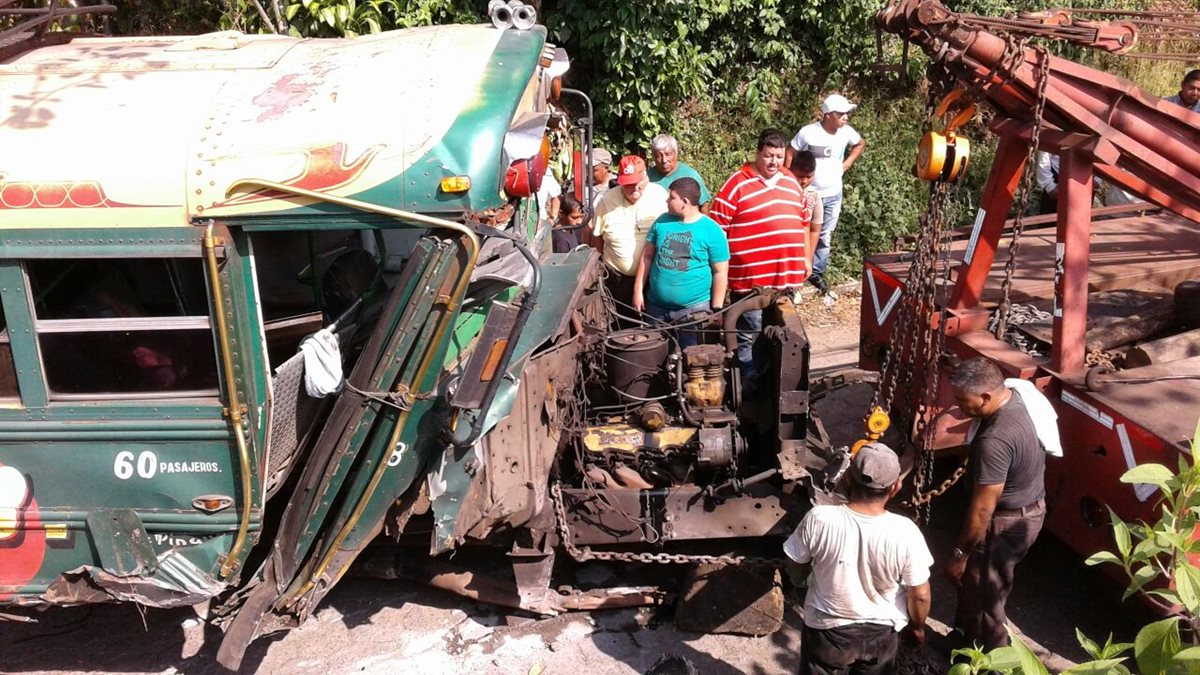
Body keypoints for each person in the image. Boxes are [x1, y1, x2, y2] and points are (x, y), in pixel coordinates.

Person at [784, 442, 933, 674]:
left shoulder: (819, 519)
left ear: (847, 479)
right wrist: (918, 628)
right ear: (896, 487)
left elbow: (794, 564)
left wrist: (805, 581)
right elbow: (920, 594)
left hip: (827, 634)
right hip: (881, 637)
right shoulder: (906, 531)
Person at [946, 357, 1047, 651]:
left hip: (1006, 524)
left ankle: (991, 660)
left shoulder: (995, 440)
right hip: (1030, 509)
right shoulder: (1019, 395)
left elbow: (982, 511)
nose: (960, 408)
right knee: (979, 588)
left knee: (986, 596)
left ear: (987, 396)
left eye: (964, 402)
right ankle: (964, 640)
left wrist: (959, 554)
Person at [710, 128, 820, 386]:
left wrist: (806, 257)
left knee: (783, 335)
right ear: (758, 153)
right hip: (750, 283)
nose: (774, 162)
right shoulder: (736, 183)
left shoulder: (791, 180)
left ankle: (777, 386)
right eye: (769, 156)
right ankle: (748, 391)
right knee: (750, 336)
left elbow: (804, 221)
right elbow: (716, 231)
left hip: (785, 281)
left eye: (779, 157)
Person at [631, 177, 729, 348]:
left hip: (693, 311)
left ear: (684, 202)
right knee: (654, 355)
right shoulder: (662, 221)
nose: (667, 201)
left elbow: (720, 272)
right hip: (656, 308)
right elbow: (647, 257)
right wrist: (637, 291)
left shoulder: (712, 230)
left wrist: (716, 309)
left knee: (691, 359)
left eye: (671, 197)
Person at [786, 94, 865, 296]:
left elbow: (860, 143)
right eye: (841, 113)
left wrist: (846, 164)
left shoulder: (846, 132)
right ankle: (795, 275)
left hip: (833, 193)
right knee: (800, 233)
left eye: (847, 113)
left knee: (825, 235)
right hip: (809, 194)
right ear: (828, 114)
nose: (846, 117)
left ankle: (816, 272)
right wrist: (787, 177)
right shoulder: (809, 133)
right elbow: (791, 151)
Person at [588, 155, 669, 312]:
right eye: (628, 185)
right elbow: (596, 235)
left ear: (646, 177)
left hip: (654, 277)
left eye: (638, 183)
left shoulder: (660, 196)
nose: (634, 188)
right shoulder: (606, 200)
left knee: (653, 327)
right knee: (620, 327)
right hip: (617, 279)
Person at [647, 134, 713, 213]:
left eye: (668, 154)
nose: (664, 160)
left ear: (676, 154)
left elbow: (704, 204)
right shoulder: (647, 178)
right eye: (659, 156)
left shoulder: (690, 175)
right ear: (653, 156)